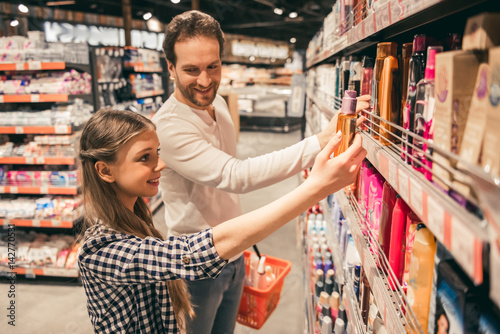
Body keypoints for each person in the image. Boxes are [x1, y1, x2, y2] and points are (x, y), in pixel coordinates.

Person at [153, 10, 371, 334]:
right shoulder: (169, 126)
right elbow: (235, 176)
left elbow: (223, 187)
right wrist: (320, 142)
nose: (205, 80)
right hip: (195, 265)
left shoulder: (220, 105)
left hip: (234, 252)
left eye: (213, 66)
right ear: (170, 68)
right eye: (191, 69)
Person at [77, 108, 366, 333]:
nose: (161, 165)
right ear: (105, 171)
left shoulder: (135, 220)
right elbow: (194, 253)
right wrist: (316, 188)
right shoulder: (100, 250)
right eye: (144, 158)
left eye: (157, 153)